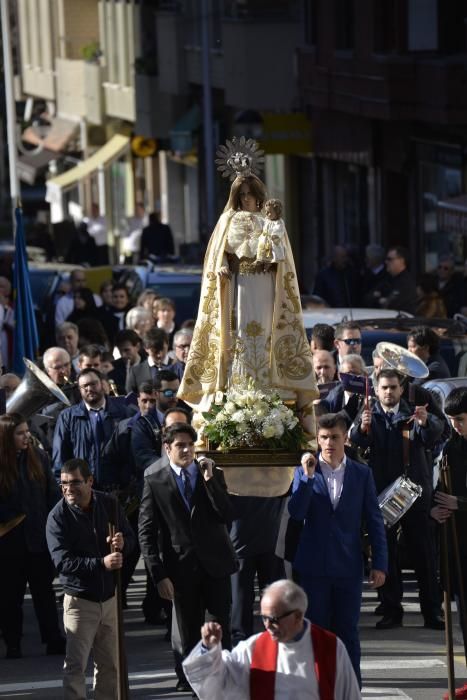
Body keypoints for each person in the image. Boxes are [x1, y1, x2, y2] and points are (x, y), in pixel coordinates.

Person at [178, 144, 317, 430]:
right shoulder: (228, 220)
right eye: (242, 195)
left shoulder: (271, 222)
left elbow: (280, 256)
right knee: (241, 332)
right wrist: (224, 266)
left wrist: (272, 236)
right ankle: (237, 384)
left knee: (266, 331)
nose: (247, 200)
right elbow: (220, 252)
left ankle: (268, 384)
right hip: (240, 284)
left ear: (259, 196)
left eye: (250, 195)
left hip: (265, 284)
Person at [289, 413, 387, 685]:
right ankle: (318, 687)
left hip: (348, 566)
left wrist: (380, 563)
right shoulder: (305, 471)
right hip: (314, 567)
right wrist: (307, 478)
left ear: (345, 437)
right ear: (317, 440)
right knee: (316, 632)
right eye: (323, 438)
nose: (329, 443)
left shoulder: (361, 473)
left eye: (334, 437)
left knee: (348, 633)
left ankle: (351, 687)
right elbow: (296, 513)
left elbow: (374, 519)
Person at [138, 422, 238, 692]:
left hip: (215, 564)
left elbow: (226, 514)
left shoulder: (211, 471)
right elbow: (146, 531)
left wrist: (210, 483)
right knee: (189, 630)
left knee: (219, 627)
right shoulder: (154, 478)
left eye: (190, 445)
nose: (187, 450)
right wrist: (158, 574)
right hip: (180, 568)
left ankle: (223, 681)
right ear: (167, 448)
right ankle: (193, 683)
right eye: (180, 445)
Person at [350, 369, 445, 631]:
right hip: (382, 492)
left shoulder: (415, 412)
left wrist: (425, 423)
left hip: (413, 491)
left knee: (423, 554)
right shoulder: (370, 413)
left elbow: (434, 436)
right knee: (385, 553)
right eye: (384, 388)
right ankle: (392, 611)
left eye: (393, 387)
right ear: (377, 390)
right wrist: (361, 427)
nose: (389, 392)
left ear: (401, 389)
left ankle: (432, 612)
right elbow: (356, 440)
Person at [182, 579, 361, 700]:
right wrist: (209, 649)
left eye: (274, 619)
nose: (268, 625)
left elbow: (350, 695)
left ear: (298, 616)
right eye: (264, 618)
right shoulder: (254, 648)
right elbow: (220, 684)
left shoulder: (330, 648)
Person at [46, 457, 135, 700]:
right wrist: (101, 564)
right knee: (76, 667)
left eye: (75, 482)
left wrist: (123, 543)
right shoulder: (57, 517)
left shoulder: (109, 504)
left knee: (110, 666)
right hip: (79, 601)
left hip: (109, 599)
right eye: (63, 483)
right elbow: (63, 563)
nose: (68, 489)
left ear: (90, 481)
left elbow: (130, 539)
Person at [0, 413, 65, 659]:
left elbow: (51, 493)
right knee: (10, 597)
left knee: (44, 593)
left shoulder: (39, 457)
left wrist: (53, 525)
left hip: (38, 539)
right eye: (19, 433)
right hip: (9, 541)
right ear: (6, 437)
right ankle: (13, 642)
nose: (26, 436)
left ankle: (53, 639)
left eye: (27, 431)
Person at [52, 369, 131, 487]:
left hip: (118, 489)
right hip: (82, 489)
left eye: (93, 384)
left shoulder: (123, 412)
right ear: (79, 390)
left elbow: (131, 453)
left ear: (102, 384)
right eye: (85, 386)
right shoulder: (67, 417)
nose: (89, 389)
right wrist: (63, 485)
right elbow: (60, 457)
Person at [131, 369, 181, 470]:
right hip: (155, 480)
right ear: (155, 394)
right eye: (168, 392)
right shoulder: (143, 424)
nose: (174, 396)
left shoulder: (185, 418)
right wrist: (172, 468)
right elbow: (144, 458)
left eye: (177, 391)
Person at [368, 246, 417, 314]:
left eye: (389, 259)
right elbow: (368, 298)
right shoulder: (387, 279)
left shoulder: (407, 282)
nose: (386, 262)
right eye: (386, 259)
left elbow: (392, 305)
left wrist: (380, 298)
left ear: (401, 260)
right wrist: (379, 300)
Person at [125, 327, 171, 394]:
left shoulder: (179, 367)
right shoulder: (135, 372)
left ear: (168, 344)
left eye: (162, 349)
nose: (159, 355)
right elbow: (130, 399)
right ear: (146, 348)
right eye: (154, 351)